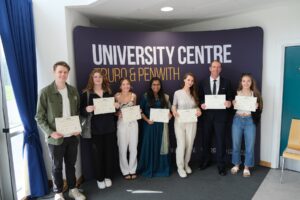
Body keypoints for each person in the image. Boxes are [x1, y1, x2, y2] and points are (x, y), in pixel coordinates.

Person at [35, 61, 86, 200]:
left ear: (68, 74)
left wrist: (78, 127)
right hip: (55, 138)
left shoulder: (73, 91)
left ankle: (72, 189)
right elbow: (39, 117)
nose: (63, 74)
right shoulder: (45, 92)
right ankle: (58, 192)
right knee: (56, 166)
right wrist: (51, 132)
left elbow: (78, 113)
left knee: (71, 165)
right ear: (54, 72)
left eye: (65, 72)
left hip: (72, 136)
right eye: (60, 72)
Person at [80, 68, 118, 189]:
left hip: (110, 127)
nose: (98, 79)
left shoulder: (108, 91)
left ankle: (107, 176)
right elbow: (80, 111)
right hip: (95, 129)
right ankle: (100, 178)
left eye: (100, 77)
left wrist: (116, 106)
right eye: (95, 77)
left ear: (103, 79)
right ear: (92, 78)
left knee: (109, 154)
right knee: (97, 155)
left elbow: (114, 110)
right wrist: (86, 109)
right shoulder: (86, 93)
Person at [199, 60, 233, 176]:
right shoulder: (203, 82)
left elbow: (230, 98)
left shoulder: (227, 82)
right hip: (207, 117)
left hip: (221, 117)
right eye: (214, 67)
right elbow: (199, 98)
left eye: (218, 67)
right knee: (206, 140)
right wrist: (202, 104)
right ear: (210, 68)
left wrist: (229, 103)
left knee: (221, 141)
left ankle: (221, 166)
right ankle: (205, 161)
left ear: (221, 69)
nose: (216, 69)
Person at [137, 77, 172, 177]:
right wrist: (147, 120)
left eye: (158, 84)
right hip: (149, 125)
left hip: (161, 127)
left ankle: (161, 168)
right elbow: (140, 111)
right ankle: (149, 167)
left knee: (160, 147)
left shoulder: (165, 97)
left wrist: (170, 115)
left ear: (160, 86)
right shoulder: (145, 96)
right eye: (154, 84)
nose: (156, 86)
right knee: (150, 146)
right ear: (151, 85)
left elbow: (170, 111)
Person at [231, 73, 263, 177]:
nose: (246, 83)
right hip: (237, 120)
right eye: (244, 81)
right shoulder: (236, 93)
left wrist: (257, 107)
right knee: (236, 144)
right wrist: (232, 104)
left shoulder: (255, 94)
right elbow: (229, 109)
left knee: (250, 146)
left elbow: (260, 110)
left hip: (250, 121)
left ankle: (246, 167)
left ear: (251, 82)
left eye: (248, 81)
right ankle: (236, 165)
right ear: (241, 82)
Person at [172, 73, 202, 178]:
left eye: (192, 81)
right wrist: (174, 111)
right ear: (184, 80)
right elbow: (173, 105)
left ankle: (186, 164)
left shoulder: (194, 93)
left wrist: (199, 111)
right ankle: (180, 167)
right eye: (188, 80)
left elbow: (196, 107)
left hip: (192, 122)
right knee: (181, 144)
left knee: (189, 144)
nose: (190, 82)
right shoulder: (177, 93)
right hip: (180, 121)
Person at [115, 78, 138, 180]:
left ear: (130, 85)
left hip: (133, 123)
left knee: (133, 147)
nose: (126, 86)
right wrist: (118, 114)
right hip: (121, 123)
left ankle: (132, 169)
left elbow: (135, 109)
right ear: (120, 86)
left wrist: (138, 111)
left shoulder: (134, 96)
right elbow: (113, 112)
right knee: (122, 148)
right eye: (123, 84)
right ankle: (125, 170)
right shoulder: (117, 96)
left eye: (127, 84)